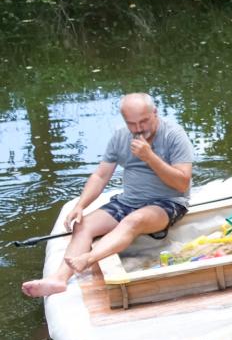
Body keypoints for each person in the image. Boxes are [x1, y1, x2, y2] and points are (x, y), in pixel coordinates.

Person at [22, 93, 195, 298]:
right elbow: (101, 175)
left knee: (134, 220)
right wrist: (80, 206)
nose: (138, 129)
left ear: (155, 113)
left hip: (167, 202)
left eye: (144, 121)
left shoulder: (174, 135)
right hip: (129, 201)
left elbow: (182, 183)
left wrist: (150, 157)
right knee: (82, 224)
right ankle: (59, 279)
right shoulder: (120, 136)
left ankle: (88, 258)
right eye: (132, 124)